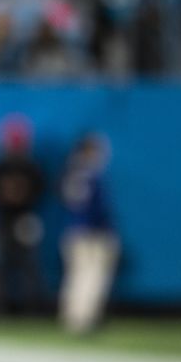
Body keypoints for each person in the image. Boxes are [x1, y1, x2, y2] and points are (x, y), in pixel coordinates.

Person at [58, 132, 118, 334]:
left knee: (75, 277)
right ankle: (85, 319)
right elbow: (100, 209)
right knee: (92, 278)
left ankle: (72, 317)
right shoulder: (93, 174)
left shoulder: (72, 172)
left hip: (73, 229)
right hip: (93, 233)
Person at [0, 114, 47, 315]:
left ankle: (32, 307)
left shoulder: (31, 166)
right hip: (4, 218)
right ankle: (0, 307)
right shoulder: (0, 165)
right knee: (2, 263)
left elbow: (41, 190)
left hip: (24, 218)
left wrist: (21, 200)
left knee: (29, 265)